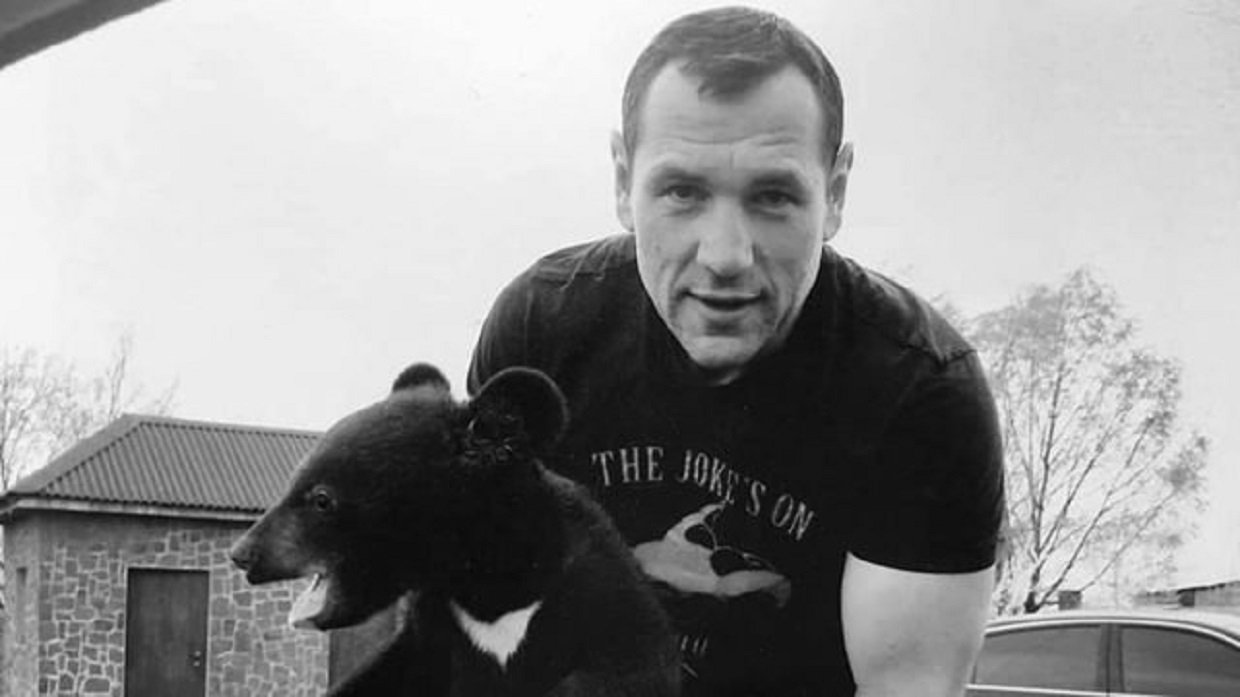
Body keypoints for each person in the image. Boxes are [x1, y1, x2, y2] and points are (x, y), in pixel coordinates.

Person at [468, 6, 1005, 696]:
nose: (725, 255)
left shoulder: (919, 391)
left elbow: (906, 686)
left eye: (773, 196)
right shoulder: (541, 332)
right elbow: (478, 619)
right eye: (682, 191)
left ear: (835, 192)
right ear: (623, 182)